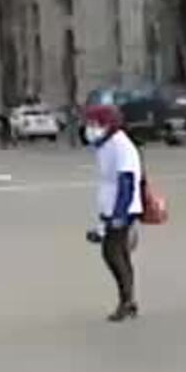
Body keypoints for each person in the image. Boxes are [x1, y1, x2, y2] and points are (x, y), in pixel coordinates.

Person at [80, 103, 144, 322]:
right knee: (119, 254)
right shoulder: (104, 145)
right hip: (110, 208)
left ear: (108, 125)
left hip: (122, 208)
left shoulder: (121, 146)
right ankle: (129, 300)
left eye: (94, 124)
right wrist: (102, 224)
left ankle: (126, 301)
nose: (90, 128)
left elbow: (127, 182)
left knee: (113, 254)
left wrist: (119, 215)